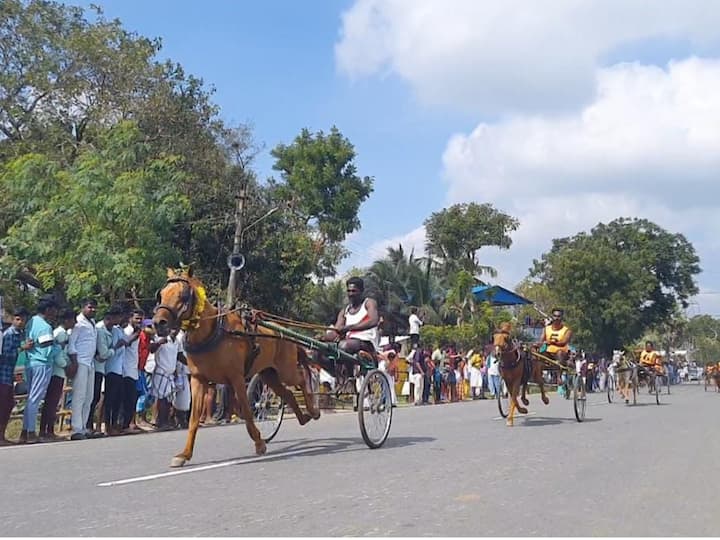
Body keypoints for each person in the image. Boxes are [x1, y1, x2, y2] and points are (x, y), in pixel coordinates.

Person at [23, 298, 59, 444]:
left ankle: (25, 431)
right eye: (54, 309)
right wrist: (59, 347)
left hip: (30, 362)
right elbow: (47, 350)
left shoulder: (31, 321)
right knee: (35, 399)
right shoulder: (45, 326)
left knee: (31, 398)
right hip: (42, 364)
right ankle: (31, 432)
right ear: (49, 309)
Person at [39, 308, 75, 441]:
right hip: (56, 371)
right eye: (72, 320)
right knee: (51, 402)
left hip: (58, 371)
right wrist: (67, 366)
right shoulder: (60, 334)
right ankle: (46, 431)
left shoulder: (62, 333)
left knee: (52, 402)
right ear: (66, 320)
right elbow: (59, 354)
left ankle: (48, 430)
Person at [67, 299, 100, 441]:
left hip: (90, 363)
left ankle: (84, 427)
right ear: (83, 307)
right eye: (90, 307)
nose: (92, 310)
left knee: (89, 397)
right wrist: (74, 363)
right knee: (79, 396)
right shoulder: (78, 323)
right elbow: (71, 345)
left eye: (94, 308)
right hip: (80, 362)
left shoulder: (92, 323)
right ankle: (76, 429)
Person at [0, 308, 32, 445]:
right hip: (3, 374)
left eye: (23, 320)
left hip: (9, 375)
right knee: (3, 406)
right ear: (13, 319)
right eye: (18, 319)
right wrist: (22, 348)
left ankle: (2, 435)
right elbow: (6, 356)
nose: (20, 322)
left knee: (8, 406)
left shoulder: (21, 334)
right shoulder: (9, 334)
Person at [327, 277, 380, 356]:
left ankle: (348, 368)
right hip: (348, 343)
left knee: (344, 346)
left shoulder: (369, 303)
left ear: (361, 291)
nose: (351, 294)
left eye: (354, 291)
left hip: (367, 344)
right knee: (319, 351)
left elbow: (373, 321)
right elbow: (336, 330)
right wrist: (323, 338)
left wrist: (348, 328)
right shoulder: (344, 311)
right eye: (348, 291)